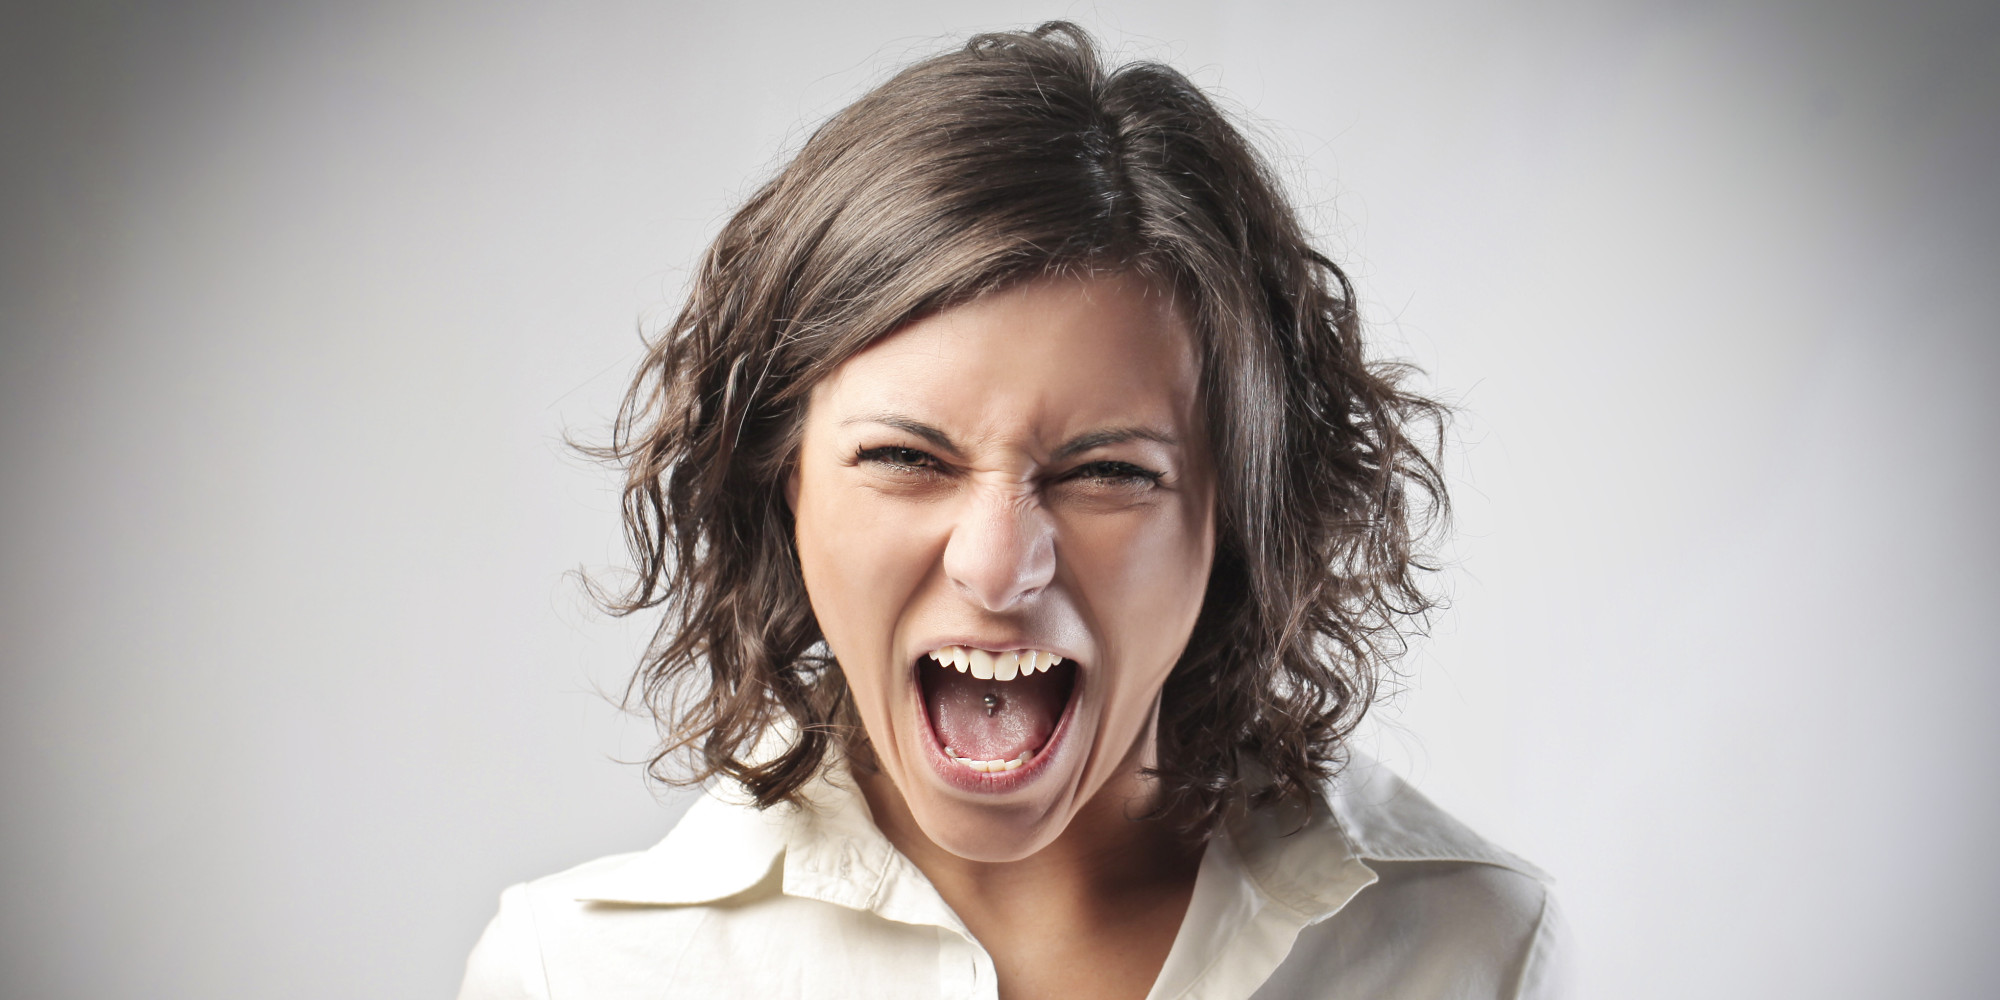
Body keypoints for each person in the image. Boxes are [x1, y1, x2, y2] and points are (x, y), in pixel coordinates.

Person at [458, 21, 1564, 1000]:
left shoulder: (1470, 952)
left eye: (1108, 473)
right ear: (781, 481)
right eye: (904, 457)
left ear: (1235, 510)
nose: (997, 568)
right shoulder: (570, 976)